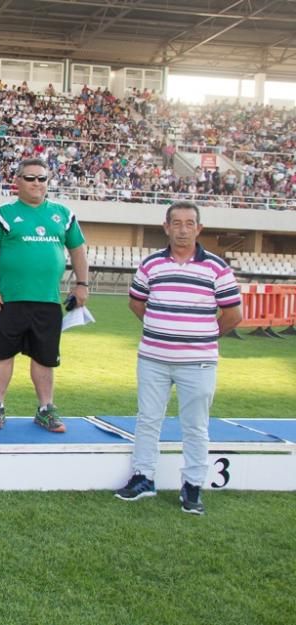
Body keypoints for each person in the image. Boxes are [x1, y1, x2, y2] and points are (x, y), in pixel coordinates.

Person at [115, 201, 241, 515]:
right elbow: (136, 304)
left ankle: (193, 485)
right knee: (147, 420)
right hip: (153, 359)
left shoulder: (217, 267)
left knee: (196, 426)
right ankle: (144, 477)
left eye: (189, 223)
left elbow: (233, 314)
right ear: (166, 227)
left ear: (199, 228)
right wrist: (162, 329)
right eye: (176, 223)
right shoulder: (150, 265)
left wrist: (203, 338)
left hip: (198, 362)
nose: (182, 229)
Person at [0, 157, 89, 433]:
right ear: (17, 181)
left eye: (42, 178)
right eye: (30, 178)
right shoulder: (3, 215)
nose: (37, 183)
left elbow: (78, 250)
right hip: (9, 299)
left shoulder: (63, 214)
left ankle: (45, 409)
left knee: (45, 358)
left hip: (48, 301)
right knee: (2, 355)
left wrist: (82, 284)